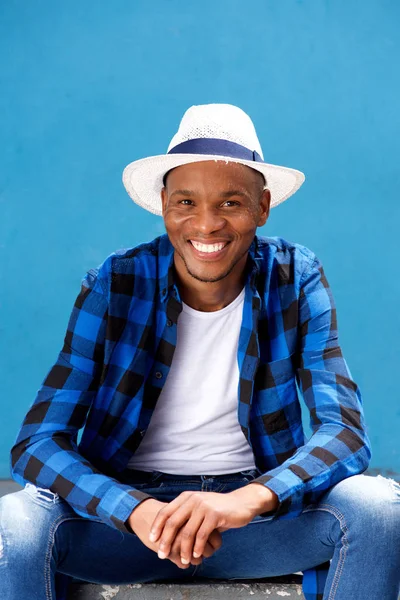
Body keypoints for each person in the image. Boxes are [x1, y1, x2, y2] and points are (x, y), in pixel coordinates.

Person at [1, 104, 399, 600]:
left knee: (379, 508)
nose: (207, 225)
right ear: (164, 204)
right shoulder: (116, 284)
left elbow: (346, 433)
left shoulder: (294, 277)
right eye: (187, 202)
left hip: (250, 521)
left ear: (263, 207)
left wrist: (250, 499)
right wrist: (132, 508)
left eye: (231, 203)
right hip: (130, 523)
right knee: (12, 521)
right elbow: (36, 443)